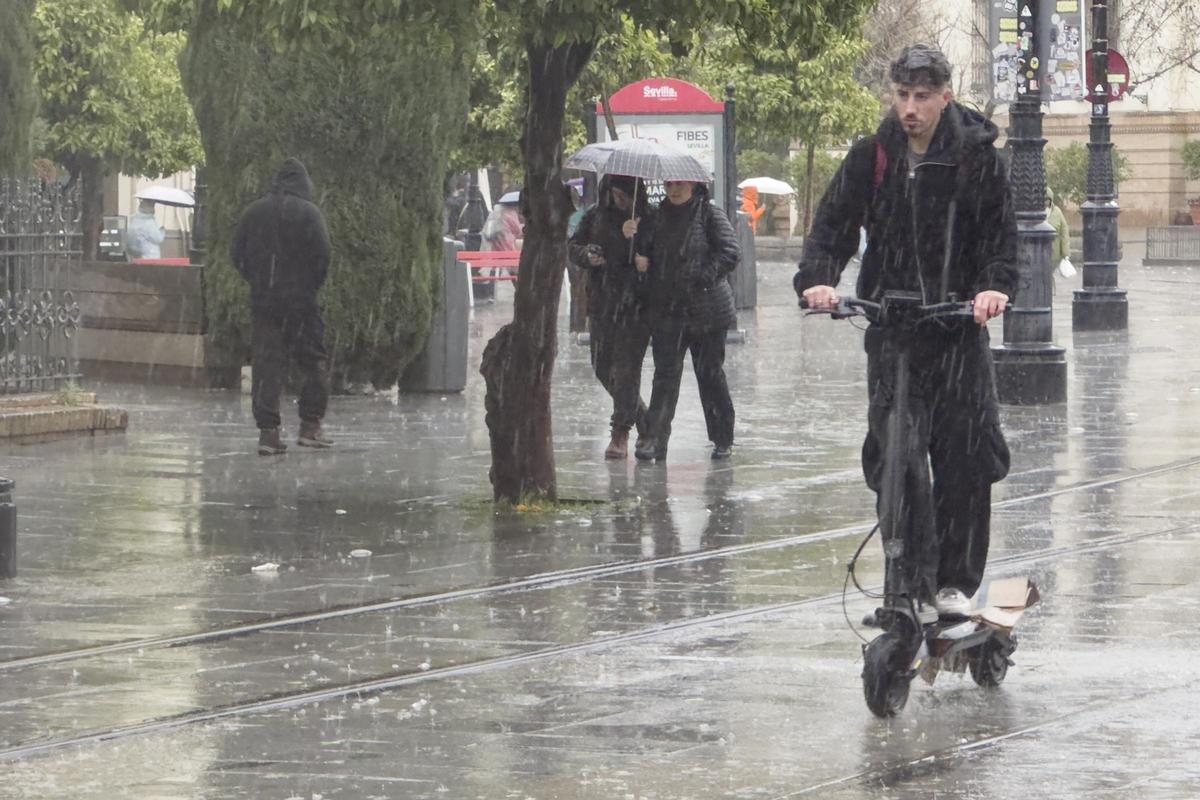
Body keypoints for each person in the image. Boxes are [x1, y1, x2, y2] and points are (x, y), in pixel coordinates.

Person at [794, 45, 1017, 616]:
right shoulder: (873, 157)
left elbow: (999, 240)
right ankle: (905, 583)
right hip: (893, 334)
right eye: (901, 96)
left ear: (945, 96)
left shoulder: (977, 159)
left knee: (966, 462)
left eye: (922, 96)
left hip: (956, 332)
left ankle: (953, 585)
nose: (910, 108)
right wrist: (818, 281)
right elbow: (832, 227)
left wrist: (993, 287)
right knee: (897, 460)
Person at [232, 157, 334, 456]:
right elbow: (323, 255)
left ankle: (268, 432)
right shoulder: (310, 213)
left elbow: (236, 253)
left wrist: (258, 279)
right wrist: (308, 286)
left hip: (265, 301)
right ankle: (310, 426)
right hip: (301, 301)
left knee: (267, 365)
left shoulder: (254, 212)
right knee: (313, 361)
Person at [633, 179, 740, 462]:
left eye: (680, 185)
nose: (674, 190)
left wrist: (701, 278)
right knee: (665, 376)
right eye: (669, 185)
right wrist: (636, 245)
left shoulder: (709, 214)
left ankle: (722, 438)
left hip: (707, 311)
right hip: (667, 311)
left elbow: (730, 252)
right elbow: (642, 252)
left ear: (694, 185)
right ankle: (655, 439)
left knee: (710, 374)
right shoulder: (655, 217)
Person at [568, 175, 653, 459]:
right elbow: (574, 246)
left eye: (624, 196)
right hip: (603, 303)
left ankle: (620, 432)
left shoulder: (649, 218)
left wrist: (637, 241)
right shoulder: (596, 215)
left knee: (627, 371)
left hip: (637, 305)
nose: (620, 201)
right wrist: (586, 255)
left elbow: (660, 254)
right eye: (614, 195)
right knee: (602, 366)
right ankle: (646, 421)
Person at [1046, 187, 1072, 287]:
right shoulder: (1036, 212)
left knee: (1049, 272)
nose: (1045, 202)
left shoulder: (1057, 212)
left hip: (1054, 250)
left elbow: (1064, 232)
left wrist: (1065, 253)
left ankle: (1050, 290)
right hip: (1040, 249)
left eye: (1047, 199)